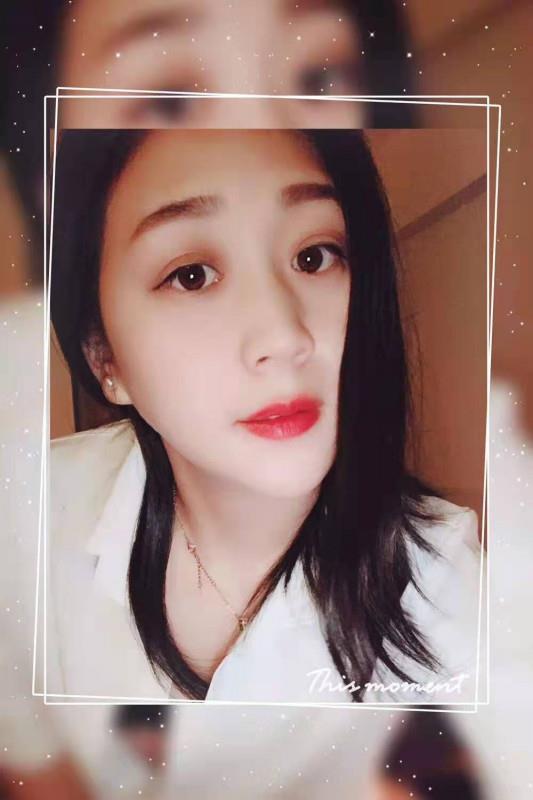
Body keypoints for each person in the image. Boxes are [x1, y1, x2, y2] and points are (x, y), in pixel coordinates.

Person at [46, 128, 483, 704]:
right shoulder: (34, 511)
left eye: (313, 256)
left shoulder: (447, 588)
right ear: (104, 357)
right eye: (192, 275)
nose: (285, 336)